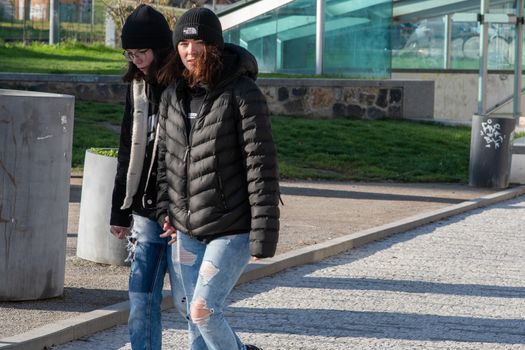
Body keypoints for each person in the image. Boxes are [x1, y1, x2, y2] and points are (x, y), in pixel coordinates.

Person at [156, 7, 280, 350]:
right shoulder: (171, 96)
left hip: (231, 228)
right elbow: (166, 163)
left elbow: (261, 165)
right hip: (186, 230)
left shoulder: (242, 93)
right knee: (188, 313)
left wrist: (263, 235)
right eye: (183, 43)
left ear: (215, 46)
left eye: (199, 43)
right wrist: (165, 210)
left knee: (203, 311)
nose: (190, 51)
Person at [109, 4, 185, 349]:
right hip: (145, 214)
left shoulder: (183, 85)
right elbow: (127, 148)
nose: (135, 59)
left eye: (142, 52)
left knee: (192, 304)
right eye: (130, 53)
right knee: (141, 301)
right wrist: (119, 210)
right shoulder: (137, 87)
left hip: (183, 216)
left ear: (160, 48)